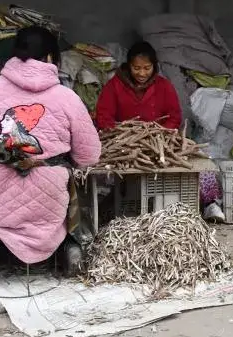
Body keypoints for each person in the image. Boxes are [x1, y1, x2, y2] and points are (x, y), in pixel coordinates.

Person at [0, 26, 101, 292]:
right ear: (50, 58)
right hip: (49, 195)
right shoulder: (67, 97)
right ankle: (69, 248)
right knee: (65, 180)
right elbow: (89, 156)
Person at [95, 42, 224, 220]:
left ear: (154, 66)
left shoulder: (164, 86)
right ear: (128, 66)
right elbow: (104, 117)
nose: (141, 73)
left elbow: (174, 116)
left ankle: (210, 204)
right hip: (124, 144)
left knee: (199, 163)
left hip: (162, 143)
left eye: (147, 68)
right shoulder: (114, 86)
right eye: (136, 68)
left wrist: (159, 132)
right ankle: (109, 212)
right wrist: (120, 133)